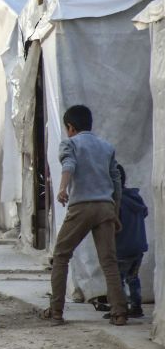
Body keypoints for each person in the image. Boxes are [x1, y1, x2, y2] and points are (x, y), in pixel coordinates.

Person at [41, 105, 127, 326]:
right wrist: (115, 212)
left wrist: (62, 188)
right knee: (109, 261)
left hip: (81, 207)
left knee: (61, 255)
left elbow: (69, 164)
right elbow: (116, 180)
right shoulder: (106, 147)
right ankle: (119, 312)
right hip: (105, 207)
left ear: (70, 127)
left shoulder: (70, 143)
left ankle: (57, 310)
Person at [106, 164, 148, 319]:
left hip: (122, 248)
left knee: (117, 280)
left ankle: (119, 308)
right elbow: (144, 213)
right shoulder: (135, 197)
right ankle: (136, 307)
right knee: (133, 278)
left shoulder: (116, 202)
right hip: (139, 247)